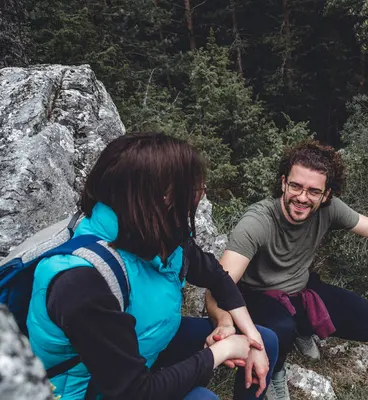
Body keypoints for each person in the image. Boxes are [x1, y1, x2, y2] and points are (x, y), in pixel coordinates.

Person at [26, 132, 278, 400]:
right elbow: (135, 391)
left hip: (144, 346)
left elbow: (216, 277)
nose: (201, 194)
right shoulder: (82, 282)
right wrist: (221, 352)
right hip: (92, 389)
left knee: (267, 340)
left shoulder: (162, 237)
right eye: (195, 189)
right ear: (163, 197)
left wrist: (251, 339)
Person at [204, 139, 368, 400]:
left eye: (313, 191)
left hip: (302, 290)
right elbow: (219, 288)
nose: (302, 197)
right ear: (283, 183)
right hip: (258, 297)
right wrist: (225, 322)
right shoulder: (256, 222)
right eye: (295, 186)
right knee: (280, 327)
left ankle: (302, 328)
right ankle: (276, 367)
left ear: (326, 194)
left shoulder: (329, 210)